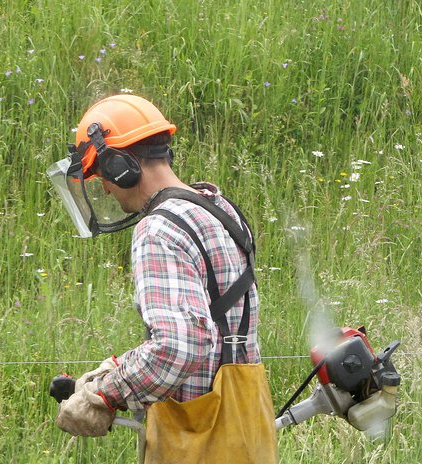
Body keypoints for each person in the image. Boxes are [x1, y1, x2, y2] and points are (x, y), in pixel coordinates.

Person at [47, 95, 277, 463]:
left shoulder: (158, 230)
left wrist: (103, 394)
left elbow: (179, 347)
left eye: (102, 174)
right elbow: (212, 329)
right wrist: (121, 368)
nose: (104, 187)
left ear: (121, 166)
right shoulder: (216, 206)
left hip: (200, 439)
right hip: (248, 426)